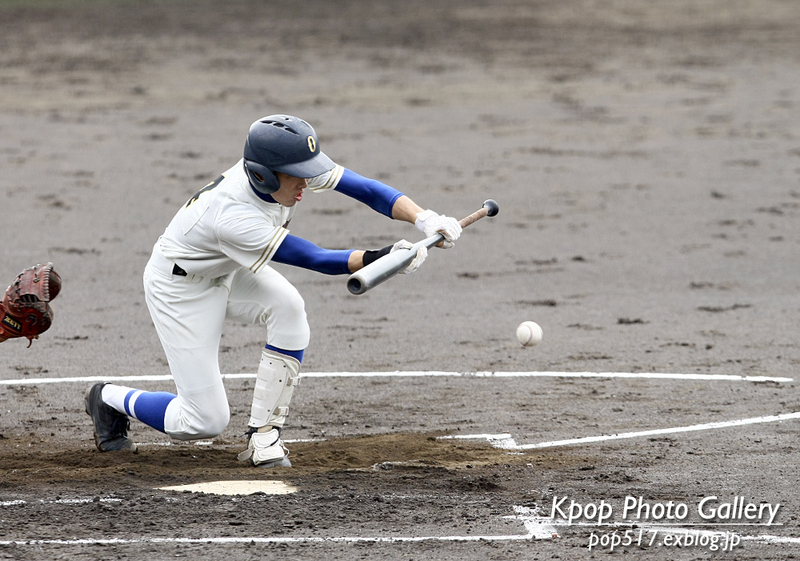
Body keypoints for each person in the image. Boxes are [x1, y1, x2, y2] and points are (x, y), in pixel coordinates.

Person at [84, 114, 462, 467]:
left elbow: (365, 189)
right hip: (180, 288)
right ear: (264, 176)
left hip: (228, 269)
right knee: (202, 421)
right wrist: (384, 256)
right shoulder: (234, 216)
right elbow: (314, 258)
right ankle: (107, 399)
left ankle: (263, 437)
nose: (306, 183)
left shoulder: (289, 165)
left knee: (289, 307)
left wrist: (424, 218)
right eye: (297, 177)